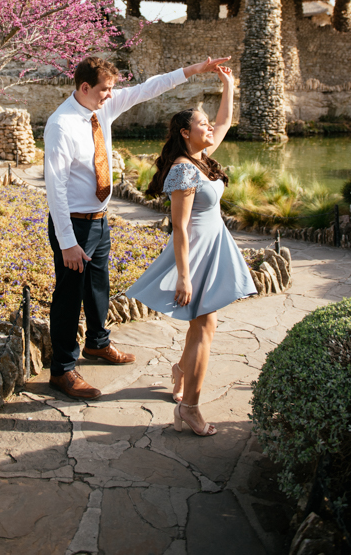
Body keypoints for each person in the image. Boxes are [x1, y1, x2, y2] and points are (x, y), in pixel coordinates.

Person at [44, 54, 230, 400]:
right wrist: (68, 242)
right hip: (73, 225)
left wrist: (193, 69)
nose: (112, 95)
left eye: (113, 89)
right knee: (69, 297)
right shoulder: (60, 125)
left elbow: (149, 88)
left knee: (99, 286)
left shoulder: (104, 109)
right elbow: (54, 188)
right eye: (105, 90)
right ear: (85, 87)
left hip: (99, 219)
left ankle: (98, 345)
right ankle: (63, 370)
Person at [126, 63, 257, 436]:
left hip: (214, 245)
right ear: (186, 133)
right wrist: (183, 275)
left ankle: (182, 372)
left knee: (205, 324)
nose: (209, 128)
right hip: (196, 253)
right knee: (205, 326)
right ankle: (190, 408)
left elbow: (226, 120)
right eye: (202, 124)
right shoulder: (183, 169)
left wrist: (228, 84)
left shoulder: (201, 157)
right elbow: (179, 228)